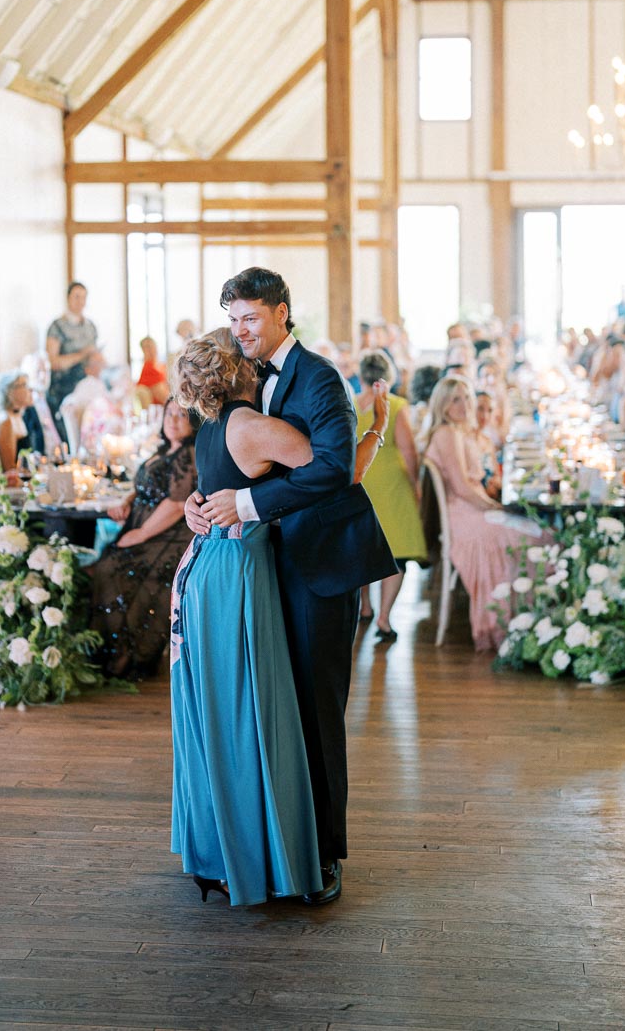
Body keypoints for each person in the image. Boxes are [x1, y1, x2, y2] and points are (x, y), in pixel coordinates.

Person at [185, 268, 395, 907]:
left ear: (281, 313)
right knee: (268, 714)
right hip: (258, 571)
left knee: (315, 711)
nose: (241, 328)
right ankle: (276, 850)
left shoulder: (320, 376)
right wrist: (201, 504)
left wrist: (246, 505)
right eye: (232, 316)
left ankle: (325, 855)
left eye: (251, 316)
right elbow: (224, 463)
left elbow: (333, 470)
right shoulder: (237, 384)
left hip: (318, 563)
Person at [86, 399, 200, 680]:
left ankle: (128, 653)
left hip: (167, 535)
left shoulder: (188, 454)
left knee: (110, 569)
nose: (173, 420)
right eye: (169, 413)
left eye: (181, 415)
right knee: (104, 566)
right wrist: (126, 501)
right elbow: (143, 487)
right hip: (145, 528)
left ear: (193, 421)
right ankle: (115, 649)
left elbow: (175, 504)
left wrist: (141, 533)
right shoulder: (163, 451)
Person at [423, 375, 529, 653]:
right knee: (531, 537)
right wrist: (495, 508)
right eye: (455, 399)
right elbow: (462, 487)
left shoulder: (460, 431)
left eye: (466, 396)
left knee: (530, 531)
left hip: (470, 507)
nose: (464, 404)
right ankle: (514, 623)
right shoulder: (446, 433)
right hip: (463, 516)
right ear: (443, 406)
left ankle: (525, 620)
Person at [354, 350, 425, 641]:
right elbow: (408, 451)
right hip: (393, 486)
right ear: (390, 375)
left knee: (361, 551)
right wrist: (416, 485)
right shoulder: (395, 405)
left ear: (361, 376)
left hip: (361, 483)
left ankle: (366, 607)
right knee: (395, 556)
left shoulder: (350, 404)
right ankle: (384, 617)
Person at [46, 281, 99, 432]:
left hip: (87, 386)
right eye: (76, 297)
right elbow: (53, 362)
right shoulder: (57, 327)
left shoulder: (90, 327)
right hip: (64, 389)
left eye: (83, 297)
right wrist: (82, 354)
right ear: (68, 298)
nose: (80, 301)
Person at [58, 350, 107, 456]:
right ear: (87, 369)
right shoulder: (87, 383)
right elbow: (72, 401)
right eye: (97, 363)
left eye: (101, 362)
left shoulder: (102, 383)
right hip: (95, 431)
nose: (102, 365)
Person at [0, 371, 34, 472]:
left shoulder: (17, 417)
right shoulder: (5, 422)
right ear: (10, 392)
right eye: (24, 385)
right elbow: (10, 469)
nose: (30, 389)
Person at [135, 336, 170, 406]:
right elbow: (162, 396)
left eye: (152, 346)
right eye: (147, 347)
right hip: (160, 406)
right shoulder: (148, 369)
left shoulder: (162, 366)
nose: (151, 350)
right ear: (143, 351)